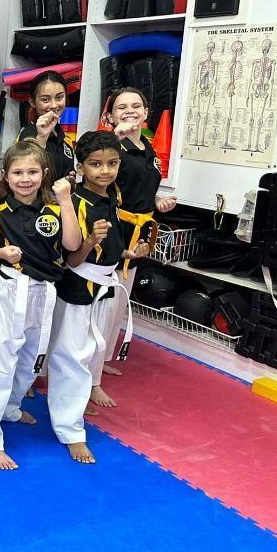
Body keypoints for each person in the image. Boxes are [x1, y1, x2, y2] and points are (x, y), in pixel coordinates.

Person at [0, 140, 81, 470]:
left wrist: (65, 199)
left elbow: (72, 245)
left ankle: (10, 407)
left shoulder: (57, 209)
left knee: (32, 356)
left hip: (45, 289)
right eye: (17, 172)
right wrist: (1, 253)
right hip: (9, 288)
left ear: (45, 174)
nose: (25, 178)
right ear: (6, 176)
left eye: (32, 171)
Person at [45, 131, 150, 463]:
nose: (105, 171)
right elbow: (72, 258)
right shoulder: (74, 203)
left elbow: (112, 247)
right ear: (81, 166)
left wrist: (129, 253)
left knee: (89, 352)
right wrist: (91, 241)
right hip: (78, 284)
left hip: (104, 285)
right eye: (96, 164)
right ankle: (70, 429)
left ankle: (72, 406)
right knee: (70, 356)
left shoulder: (111, 198)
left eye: (112, 163)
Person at [97, 87, 177, 395]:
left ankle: (101, 358)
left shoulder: (148, 150)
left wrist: (158, 202)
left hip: (138, 233)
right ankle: (90, 379)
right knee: (102, 306)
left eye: (135, 106)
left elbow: (139, 188)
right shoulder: (109, 148)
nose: (129, 111)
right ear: (110, 115)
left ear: (146, 113)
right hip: (113, 229)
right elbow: (90, 170)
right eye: (121, 107)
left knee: (119, 304)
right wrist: (115, 136)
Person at [15, 71, 76, 183]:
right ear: (33, 102)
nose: (53, 105)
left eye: (59, 97)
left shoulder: (65, 138)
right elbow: (23, 177)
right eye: (45, 100)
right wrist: (41, 138)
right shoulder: (27, 135)